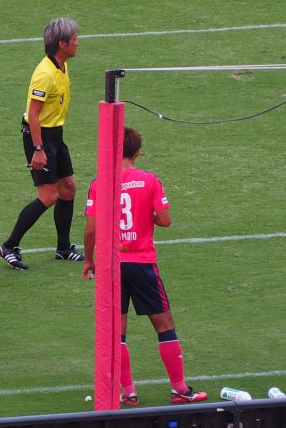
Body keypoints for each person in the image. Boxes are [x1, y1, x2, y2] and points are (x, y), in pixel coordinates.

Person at [81, 127, 208, 405]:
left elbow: (91, 230)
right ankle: (179, 389)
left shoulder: (99, 184)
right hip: (142, 264)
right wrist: (146, 215)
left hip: (112, 266)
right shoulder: (149, 180)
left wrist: (89, 259)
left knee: (117, 330)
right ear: (137, 153)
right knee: (164, 325)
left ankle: (129, 392)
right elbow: (165, 220)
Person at [0, 17, 84, 270]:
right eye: (74, 39)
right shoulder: (44, 74)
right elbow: (33, 114)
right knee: (48, 196)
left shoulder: (62, 66)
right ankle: (9, 246)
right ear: (62, 44)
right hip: (40, 136)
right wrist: (38, 149)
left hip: (55, 133)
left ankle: (63, 249)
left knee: (68, 188)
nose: (78, 43)